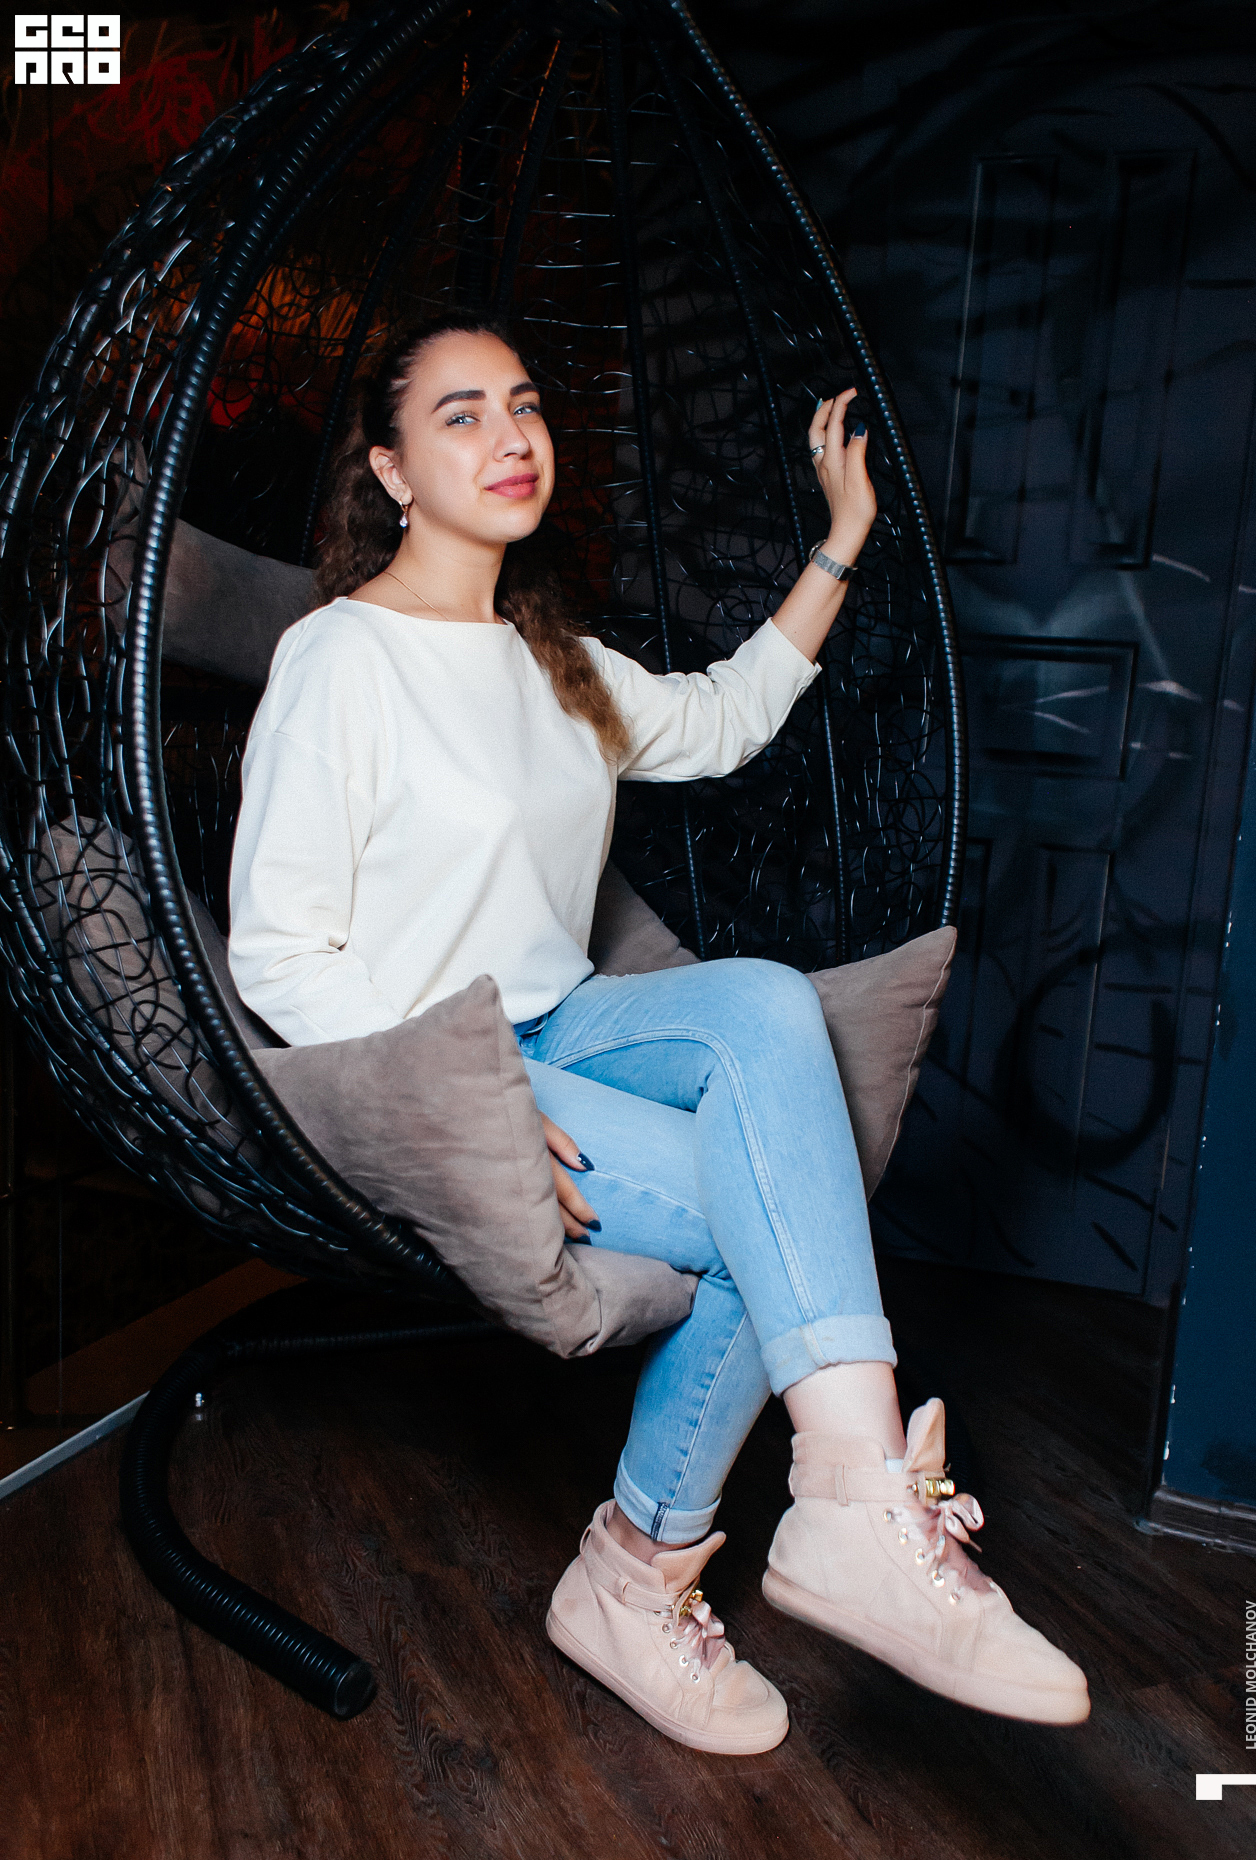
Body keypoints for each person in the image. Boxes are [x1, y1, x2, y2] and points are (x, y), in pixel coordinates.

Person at [229, 313, 1089, 1754]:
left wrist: (843, 538)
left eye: (524, 406)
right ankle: (647, 1572)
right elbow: (276, 951)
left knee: (765, 1003)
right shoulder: (341, 660)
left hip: (569, 1022)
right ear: (390, 471)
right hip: (445, 1067)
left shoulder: (550, 658)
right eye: (460, 416)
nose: (511, 437)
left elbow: (725, 718)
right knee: (780, 1211)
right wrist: (468, 1095)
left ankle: (846, 1500)